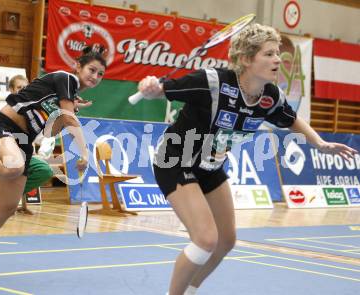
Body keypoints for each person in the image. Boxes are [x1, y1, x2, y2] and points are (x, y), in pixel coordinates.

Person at [136, 23, 358, 295]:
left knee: (226, 241)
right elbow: (161, 89)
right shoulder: (212, 82)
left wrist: (319, 143)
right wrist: (149, 86)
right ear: (245, 59)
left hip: (210, 167)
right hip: (175, 161)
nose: (278, 59)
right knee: (206, 239)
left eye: (277, 53)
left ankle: (189, 291)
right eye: (268, 54)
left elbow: (291, 119)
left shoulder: (270, 97)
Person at [0, 46, 106, 274]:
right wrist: (85, 152)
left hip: (23, 141)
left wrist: (67, 111)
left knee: (7, 207)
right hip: (3, 127)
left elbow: (51, 132)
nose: (95, 76)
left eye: (100, 74)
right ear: (78, 66)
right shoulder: (66, 78)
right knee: (13, 167)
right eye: (92, 69)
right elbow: (70, 121)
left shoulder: (68, 98)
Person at [0, 75, 54, 215]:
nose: (23, 90)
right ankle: (6, 200)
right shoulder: (3, 112)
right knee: (13, 165)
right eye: (19, 88)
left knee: (45, 171)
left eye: (26, 88)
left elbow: (43, 137)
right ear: (11, 90)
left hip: (25, 158)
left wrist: (44, 149)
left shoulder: (32, 112)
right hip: (4, 157)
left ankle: (7, 198)